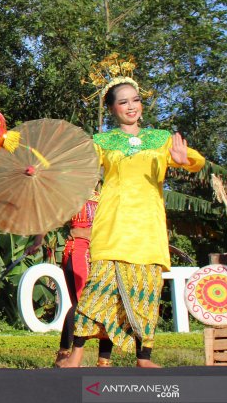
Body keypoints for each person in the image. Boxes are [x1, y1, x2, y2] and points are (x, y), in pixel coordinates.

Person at [59, 72, 205, 368]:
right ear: (112, 109)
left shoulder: (161, 140)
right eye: (123, 102)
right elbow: (77, 167)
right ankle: (75, 354)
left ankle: (144, 357)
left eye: (135, 100)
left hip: (148, 231)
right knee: (98, 292)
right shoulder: (102, 141)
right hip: (112, 228)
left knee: (146, 294)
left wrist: (182, 160)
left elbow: (196, 160)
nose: (131, 107)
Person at [26, 192, 114, 367]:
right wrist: (37, 242)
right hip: (79, 250)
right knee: (83, 304)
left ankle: (104, 360)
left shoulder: (105, 194)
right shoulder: (70, 194)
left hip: (102, 252)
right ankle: (64, 354)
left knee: (107, 302)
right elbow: (48, 218)